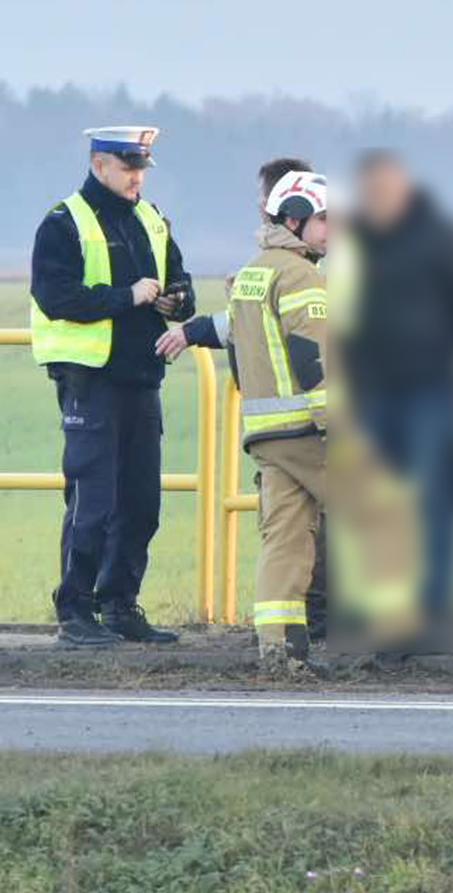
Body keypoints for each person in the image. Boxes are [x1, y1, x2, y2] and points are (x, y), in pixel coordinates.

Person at [29, 125, 196, 646]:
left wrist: (176, 302)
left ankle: (120, 604)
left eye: (142, 167)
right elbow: (56, 297)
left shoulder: (152, 219)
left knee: (141, 502)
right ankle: (75, 611)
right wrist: (126, 297)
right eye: (128, 167)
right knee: (92, 501)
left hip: (142, 378)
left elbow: (180, 284)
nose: (136, 177)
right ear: (99, 164)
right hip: (90, 380)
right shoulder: (63, 223)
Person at [161, 170, 334, 668]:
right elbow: (312, 354)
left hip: (266, 435)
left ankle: (280, 650)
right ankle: (401, 635)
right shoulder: (301, 274)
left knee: (285, 538)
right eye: (325, 220)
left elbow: (240, 334)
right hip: (310, 429)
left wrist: (194, 330)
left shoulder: (253, 271)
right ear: (296, 220)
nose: (333, 230)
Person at [341, 150, 453, 620]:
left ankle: (435, 601)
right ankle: (378, 597)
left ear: (405, 189)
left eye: (387, 188)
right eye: (371, 190)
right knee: (376, 498)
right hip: (374, 391)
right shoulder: (355, 244)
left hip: (433, 387)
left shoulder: (441, 238)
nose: (379, 198)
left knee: (435, 494)